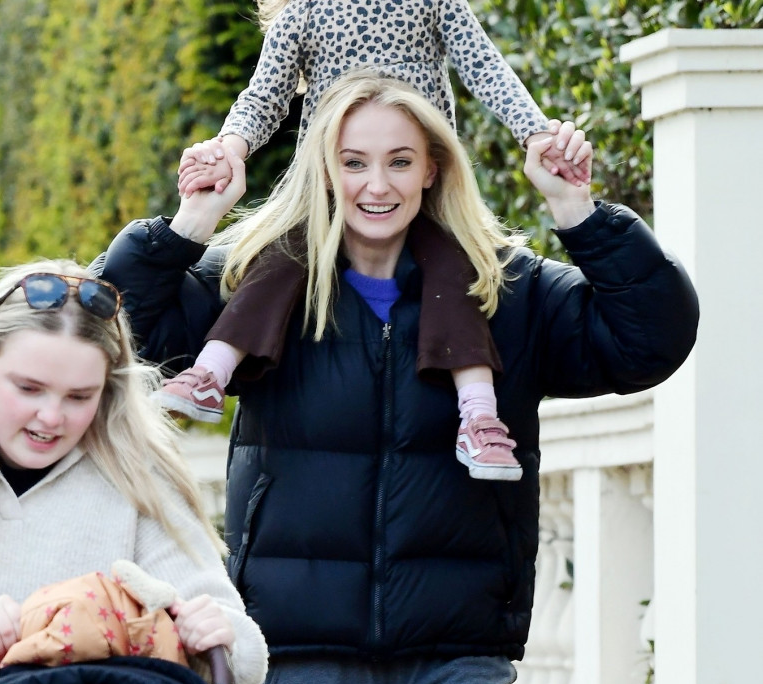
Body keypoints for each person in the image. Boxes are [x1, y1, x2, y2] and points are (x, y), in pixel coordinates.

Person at [93, 72, 699, 684]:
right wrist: (194, 220)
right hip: (310, 649)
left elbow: (650, 339)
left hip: (458, 650)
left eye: (399, 161)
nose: (375, 184)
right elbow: (110, 325)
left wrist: (578, 210)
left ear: (432, 168)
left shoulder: (506, 291)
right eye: (353, 161)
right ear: (325, 168)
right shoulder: (256, 287)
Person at [157, 0, 592, 482]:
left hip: (419, 186)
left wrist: (533, 133)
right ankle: (210, 373)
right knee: (277, 264)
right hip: (330, 187)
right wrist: (227, 148)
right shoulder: (303, 13)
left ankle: (479, 415)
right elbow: (264, 96)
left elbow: (484, 65)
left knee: (455, 276)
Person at [0, 261, 268, 684]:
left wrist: (218, 635)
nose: (52, 417)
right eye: (29, 388)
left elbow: (242, 660)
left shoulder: (136, 476)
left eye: (80, 396)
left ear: (108, 389)